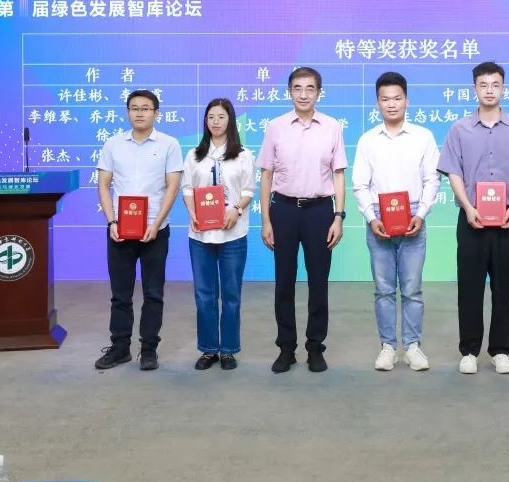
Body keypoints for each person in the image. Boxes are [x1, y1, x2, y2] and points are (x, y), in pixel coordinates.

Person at [438, 61, 509, 375]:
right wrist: (467, 207)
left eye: (495, 85)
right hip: (471, 220)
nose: (489, 91)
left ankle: (500, 350)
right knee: (469, 288)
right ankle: (469, 350)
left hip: (507, 219)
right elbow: (453, 173)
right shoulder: (459, 129)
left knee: (503, 288)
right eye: (483, 85)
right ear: (474, 88)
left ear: (503, 88)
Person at [257, 67, 348, 373]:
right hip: (283, 210)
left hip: (320, 211)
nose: (304, 94)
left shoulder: (332, 127)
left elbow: (338, 174)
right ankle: (286, 349)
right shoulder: (276, 127)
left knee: (318, 282)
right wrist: (266, 220)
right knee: (284, 281)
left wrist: (338, 216)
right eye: (298, 88)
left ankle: (315, 348)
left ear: (319, 92)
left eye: (310, 88)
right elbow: (266, 175)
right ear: (289, 92)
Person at [352, 72, 441, 371]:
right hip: (379, 219)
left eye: (397, 98)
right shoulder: (368, 140)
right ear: (377, 103)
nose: (391, 104)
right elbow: (360, 184)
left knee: (413, 289)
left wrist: (421, 213)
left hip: (414, 216)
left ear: (407, 101)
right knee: (384, 289)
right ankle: (388, 347)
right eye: (385, 99)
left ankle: (413, 347)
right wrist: (370, 217)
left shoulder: (423, 137)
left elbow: (432, 179)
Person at [94, 89, 182, 371]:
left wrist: (156, 223)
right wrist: (112, 222)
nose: (139, 113)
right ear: (127, 112)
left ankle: (148, 349)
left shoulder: (169, 144)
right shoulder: (113, 144)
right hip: (120, 231)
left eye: (145, 108)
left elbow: (172, 187)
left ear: (156, 113)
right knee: (120, 295)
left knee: (153, 293)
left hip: (155, 230)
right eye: (134, 108)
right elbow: (103, 184)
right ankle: (119, 348)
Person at [181, 98, 256, 371]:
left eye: (221, 116)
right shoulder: (194, 155)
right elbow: (187, 189)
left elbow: (248, 190)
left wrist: (236, 208)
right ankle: (209, 349)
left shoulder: (243, 155)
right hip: (200, 236)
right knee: (204, 295)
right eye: (211, 116)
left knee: (231, 295)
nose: (216, 121)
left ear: (230, 120)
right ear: (205, 121)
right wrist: (192, 213)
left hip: (233, 234)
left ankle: (228, 350)